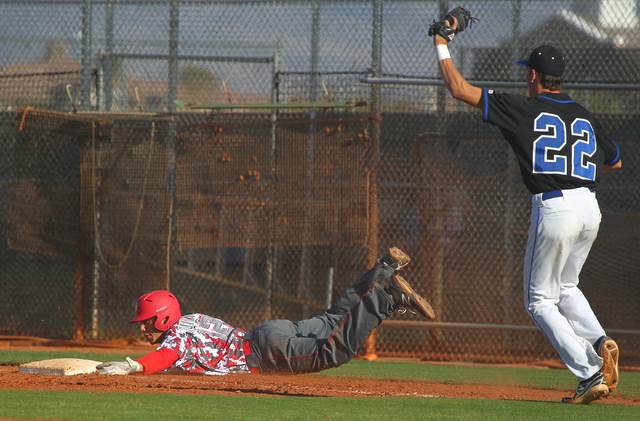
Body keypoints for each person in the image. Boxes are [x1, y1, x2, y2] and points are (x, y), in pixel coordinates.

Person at [429, 15, 622, 405]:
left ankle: (588, 372)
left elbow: (458, 88)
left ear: (533, 76)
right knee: (566, 287)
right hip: (591, 207)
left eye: (527, 73)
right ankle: (601, 341)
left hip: (556, 208)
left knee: (538, 301)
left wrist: (440, 42)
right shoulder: (585, 114)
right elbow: (614, 161)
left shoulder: (524, 109)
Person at [97, 247, 435, 376]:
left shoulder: (178, 338)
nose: (143, 330)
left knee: (333, 352)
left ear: (164, 318)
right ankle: (383, 269)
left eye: (147, 323)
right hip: (268, 331)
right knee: (333, 318)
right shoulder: (190, 319)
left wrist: (134, 366)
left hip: (264, 353)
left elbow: (167, 357)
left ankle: (387, 296)